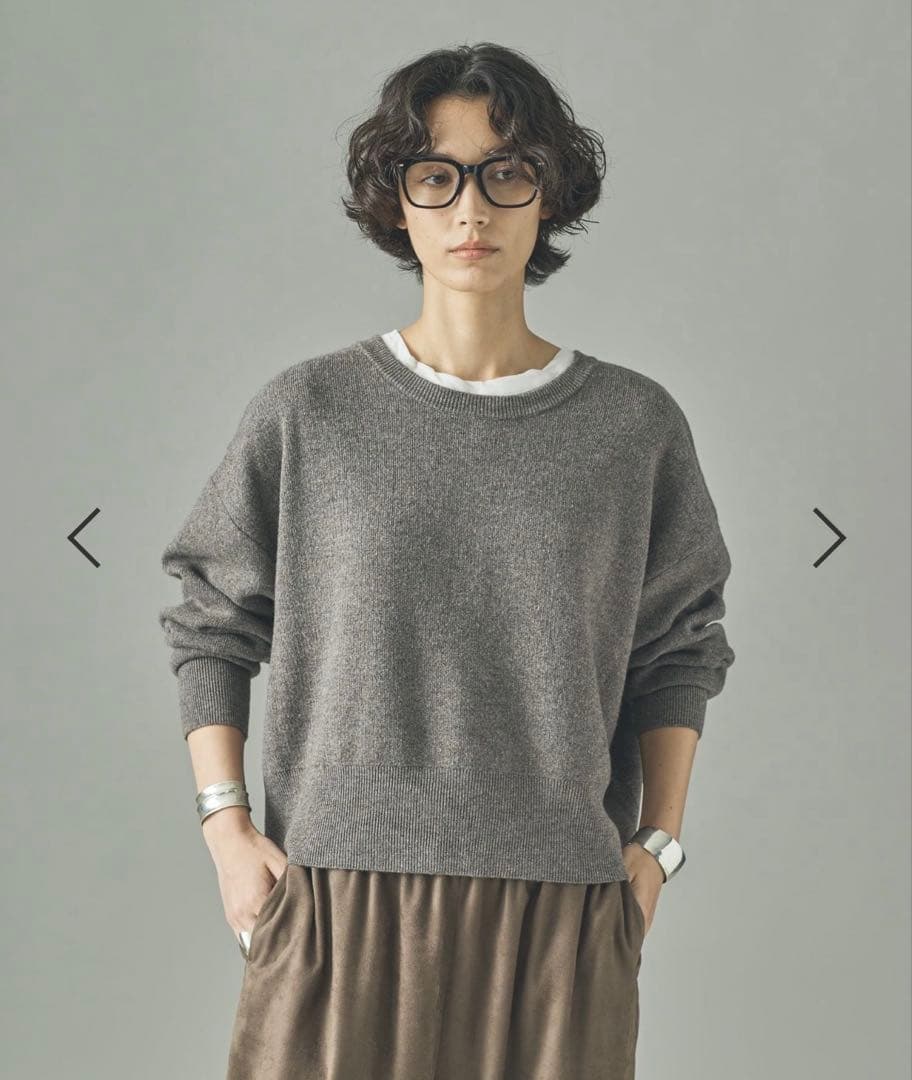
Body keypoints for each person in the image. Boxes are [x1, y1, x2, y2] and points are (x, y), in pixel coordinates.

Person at [158, 41, 736, 1080]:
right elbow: (211, 619)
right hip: (335, 898)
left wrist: (656, 850)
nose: (472, 209)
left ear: (548, 194)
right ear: (398, 199)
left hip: (559, 910)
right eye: (438, 175)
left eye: (506, 172)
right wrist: (225, 830)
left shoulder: (633, 426)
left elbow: (679, 648)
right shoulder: (310, 411)